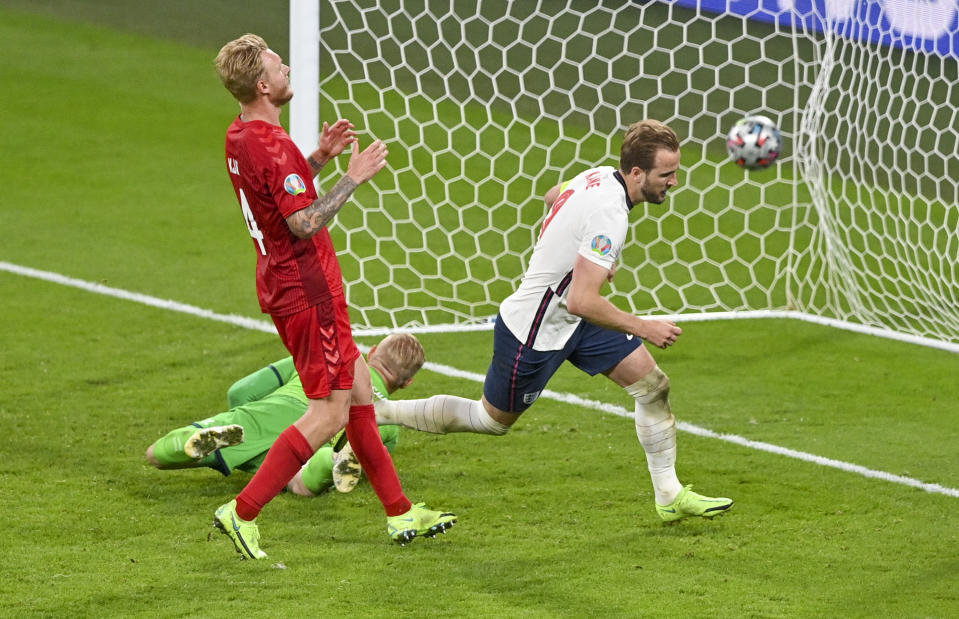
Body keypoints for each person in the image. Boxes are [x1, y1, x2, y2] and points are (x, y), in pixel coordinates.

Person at [375, 120, 732, 523]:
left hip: (574, 321)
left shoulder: (597, 175)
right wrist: (643, 326)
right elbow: (582, 299)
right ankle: (380, 414)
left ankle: (669, 495)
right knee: (490, 421)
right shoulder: (610, 214)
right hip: (534, 330)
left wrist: (585, 257)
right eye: (666, 174)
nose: (675, 181)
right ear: (637, 173)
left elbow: (552, 197)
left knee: (652, 386)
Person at [212, 34, 453, 558]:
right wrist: (352, 177)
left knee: (361, 393)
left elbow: (277, 195)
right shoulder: (271, 145)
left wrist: (317, 157)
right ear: (263, 84)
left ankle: (400, 511)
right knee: (329, 414)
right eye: (278, 65)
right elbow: (301, 221)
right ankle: (242, 511)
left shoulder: (241, 135)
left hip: (287, 282)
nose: (287, 67)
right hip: (307, 289)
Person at [145, 333, 425, 497]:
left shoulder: (325, 356)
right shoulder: (389, 423)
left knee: (156, 455)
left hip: (271, 413)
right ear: (407, 382)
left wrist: (248, 419)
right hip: (313, 436)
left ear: (373, 351)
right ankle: (326, 462)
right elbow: (374, 463)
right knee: (298, 484)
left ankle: (216, 437)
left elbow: (240, 392)